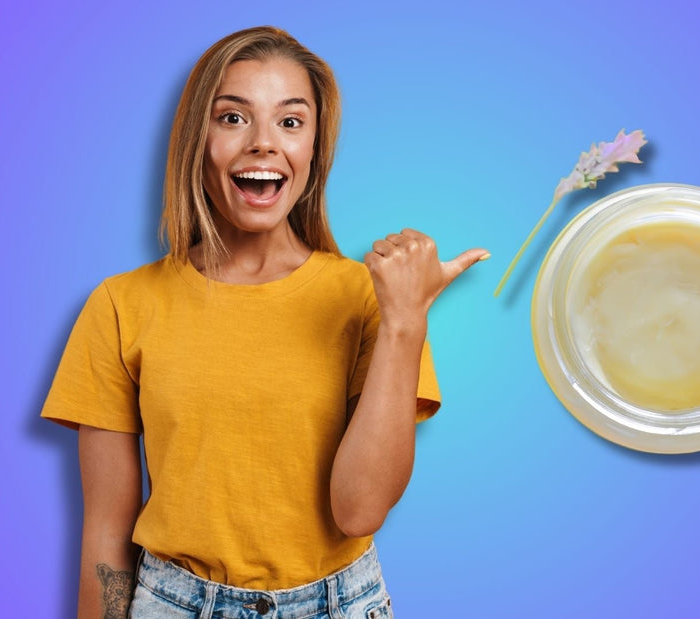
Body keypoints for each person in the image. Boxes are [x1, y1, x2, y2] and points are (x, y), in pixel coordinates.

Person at [41, 25, 488, 618]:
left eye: (291, 121)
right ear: (197, 139)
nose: (263, 144)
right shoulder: (122, 305)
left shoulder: (368, 299)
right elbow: (105, 535)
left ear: (313, 150)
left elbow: (358, 511)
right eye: (233, 118)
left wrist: (406, 321)